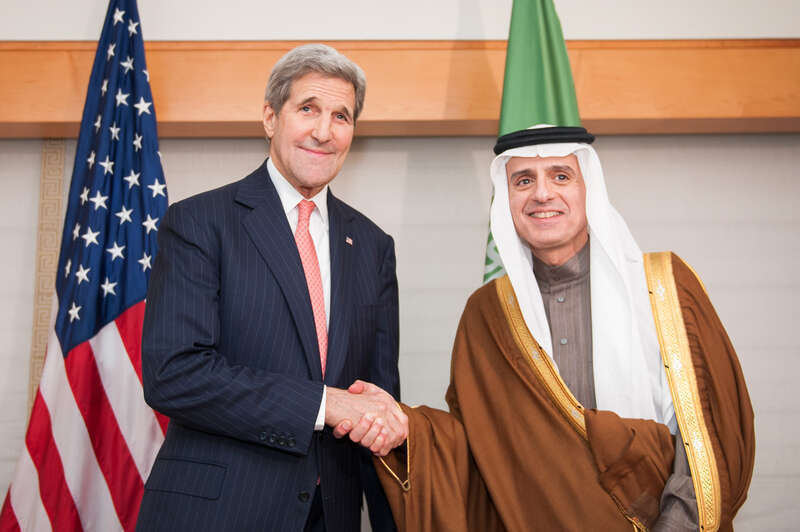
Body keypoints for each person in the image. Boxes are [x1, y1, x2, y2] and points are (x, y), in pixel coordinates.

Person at [343, 126, 754, 531]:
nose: (542, 194)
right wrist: (407, 430)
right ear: (506, 200)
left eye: (561, 175)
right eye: (524, 180)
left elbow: (710, 431)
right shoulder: (487, 312)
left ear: (588, 188)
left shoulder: (663, 285)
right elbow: (480, 448)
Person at [136, 44, 408, 532]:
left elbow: (377, 393)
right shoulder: (199, 222)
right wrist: (326, 404)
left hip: (334, 515)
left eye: (341, 116)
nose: (324, 131)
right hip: (218, 513)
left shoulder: (372, 245)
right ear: (270, 117)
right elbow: (174, 374)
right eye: (308, 109)